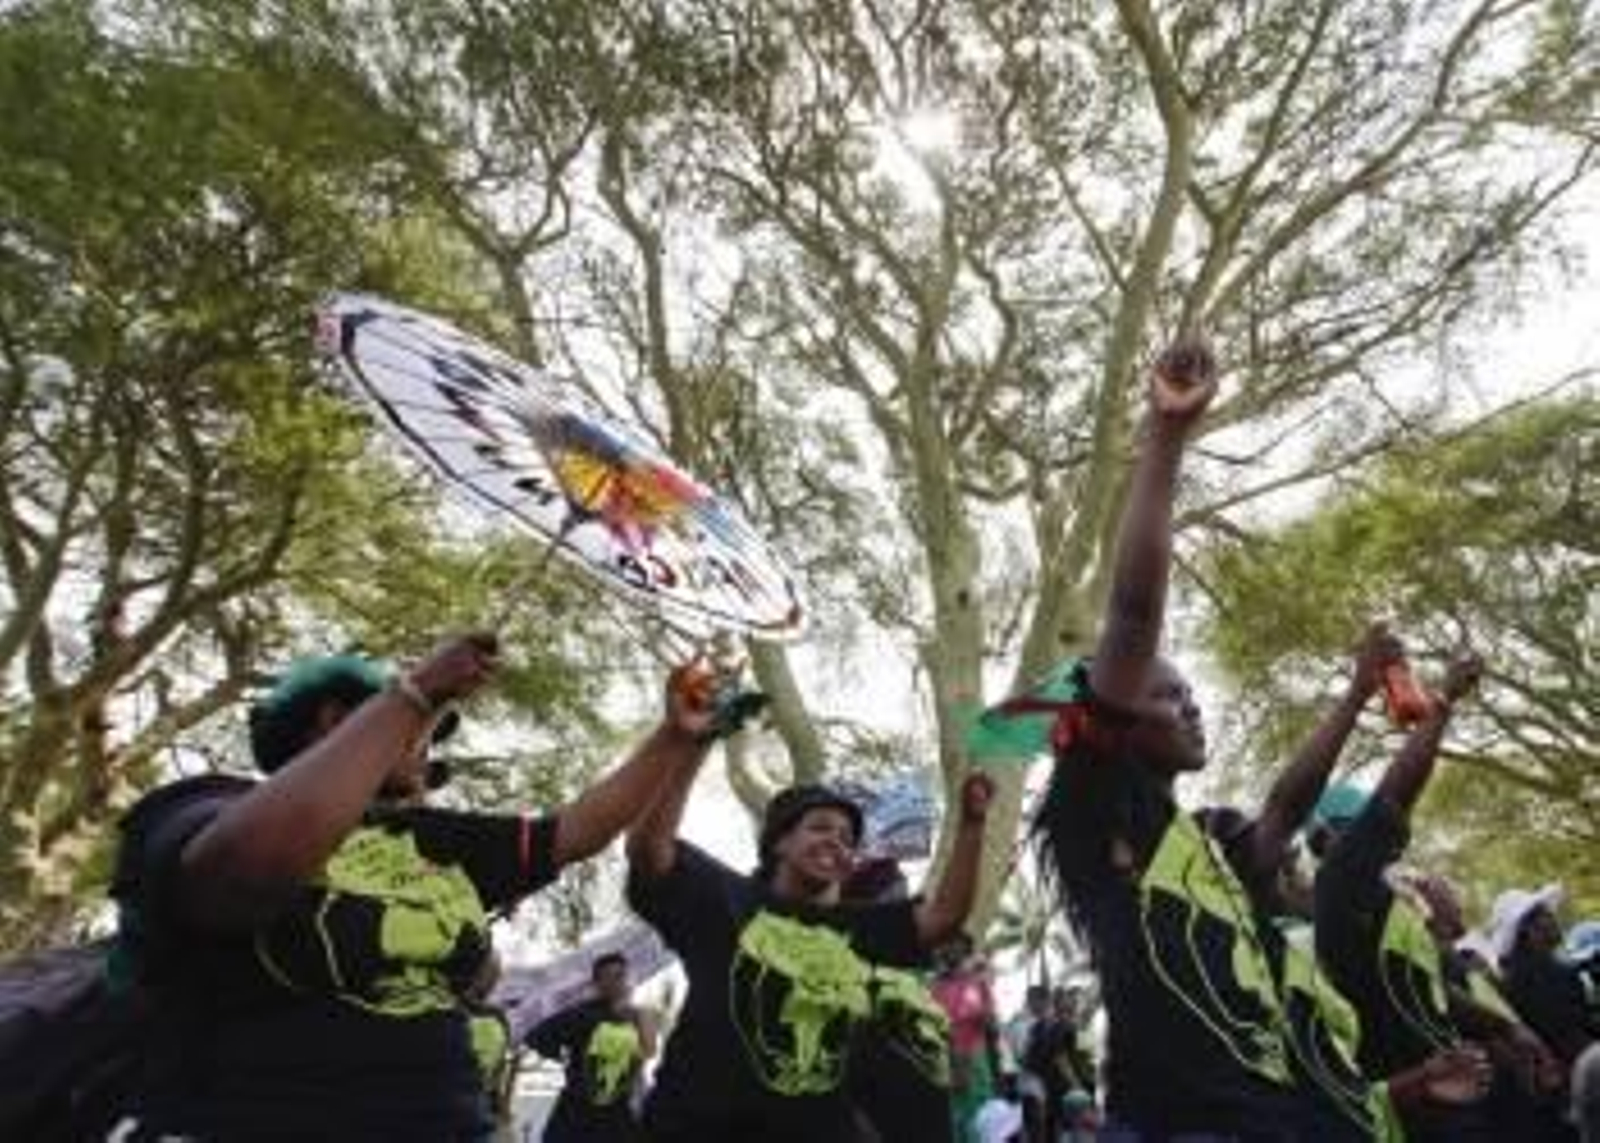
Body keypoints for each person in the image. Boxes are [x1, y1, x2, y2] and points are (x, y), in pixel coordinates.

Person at [105, 634, 705, 1142]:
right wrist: (415, 695)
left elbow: (576, 831)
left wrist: (673, 738)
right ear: (339, 721)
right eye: (429, 729)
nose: (429, 745)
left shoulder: (425, 838)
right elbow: (244, 874)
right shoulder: (209, 808)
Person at [1016, 337, 1310, 1139]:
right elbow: (1135, 616)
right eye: (1163, 691)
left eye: (1189, 691)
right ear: (1106, 718)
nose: (1190, 705)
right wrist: (1168, 437)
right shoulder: (1090, 808)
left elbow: (1286, 805)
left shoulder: (1205, 845)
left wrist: (1356, 690)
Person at [624, 659, 996, 1142]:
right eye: (819, 828)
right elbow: (648, 849)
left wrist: (971, 825)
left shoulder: (858, 931)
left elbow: (944, 915)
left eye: (847, 837)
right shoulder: (727, 898)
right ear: (778, 842)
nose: (836, 843)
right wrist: (696, 742)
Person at [1309, 650, 1503, 1143]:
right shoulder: (1336, 886)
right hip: (1417, 1119)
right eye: (1354, 830)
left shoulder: (1386, 904)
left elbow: (1432, 989)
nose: (1372, 840)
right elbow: (1396, 796)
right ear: (1327, 840)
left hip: (1467, 1108)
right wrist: (1442, 702)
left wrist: (1507, 1030)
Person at [841, 856, 955, 1143]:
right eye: (897, 900)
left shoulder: (916, 973)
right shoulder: (850, 977)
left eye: (909, 898)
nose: (912, 910)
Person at [528, 952, 657, 1143]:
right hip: (577, 1109)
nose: (616, 982)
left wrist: (640, 1018)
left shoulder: (636, 1016)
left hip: (617, 1111)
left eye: (621, 975)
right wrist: (563, 1057)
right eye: (609, 976)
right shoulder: (582, 1014)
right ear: (597, 983)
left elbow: (649, 1051)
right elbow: (536, 1037)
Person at [932, 935, 1003, 1143]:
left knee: (982, 1124)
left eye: (959, 947)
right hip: (947, 1064)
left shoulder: (979, 984)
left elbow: (993, 1027)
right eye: (948, 945)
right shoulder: (934, 986)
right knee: (956, 1125)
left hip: (976, 1063)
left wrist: (986, 1017)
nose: (952, 950)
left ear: (966, 952)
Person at [1002, 985, 1050, 1142]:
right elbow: (1023, 1058)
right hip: (1029, 1088)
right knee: (1035, 1133)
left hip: (1033, 1087)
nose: (1046, 1006)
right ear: (1033, 1000)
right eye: (1043, 1002)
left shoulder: (1032, 1022)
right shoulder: (1023, 1024)